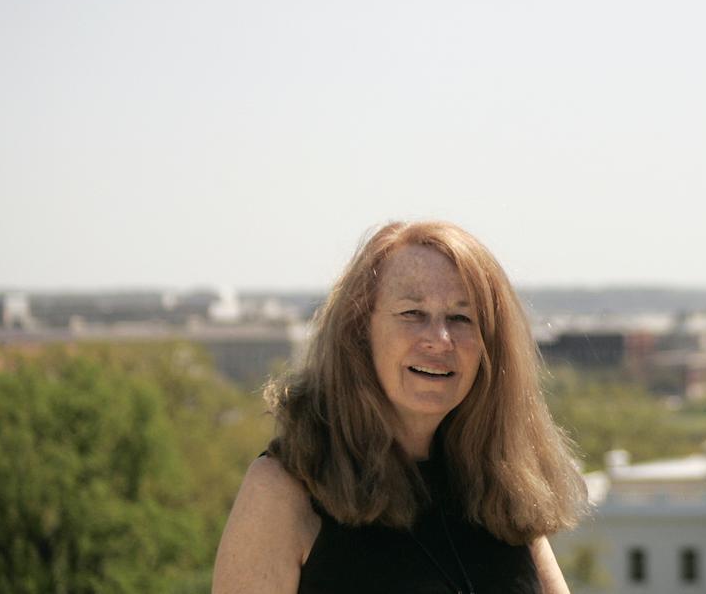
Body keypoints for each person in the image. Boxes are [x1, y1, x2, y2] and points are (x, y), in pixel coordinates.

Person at [213, 220, 586, 593]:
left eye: (461, 318)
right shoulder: (284, 489)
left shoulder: (501, 487)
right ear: (360, 332)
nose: (440, 340)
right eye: (412, 313)